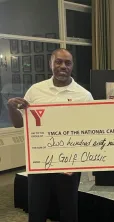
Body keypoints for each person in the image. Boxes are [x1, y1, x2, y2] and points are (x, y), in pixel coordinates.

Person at [7, 48, 93, 222]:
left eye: (67, 63)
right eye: (58, 62)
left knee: (69, 211)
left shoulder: (84, 96)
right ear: (50, 64)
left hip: (68, 164)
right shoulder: (35, 91)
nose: (63, 66)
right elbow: (19, 123)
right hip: (39, 162)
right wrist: (10, 107)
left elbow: (90, 132)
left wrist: (78, 162)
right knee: (37, 210)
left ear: (72, 66)